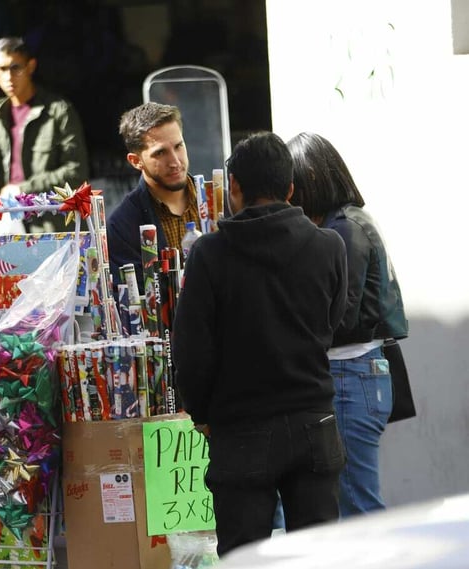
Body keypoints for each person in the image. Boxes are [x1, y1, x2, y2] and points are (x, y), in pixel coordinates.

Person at [172, 132, 348, 557]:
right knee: (319, 555)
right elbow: (333, 323)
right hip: (313, 423)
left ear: (234, 187)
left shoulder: (210, 254)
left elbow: (192, 348)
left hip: (240, 429)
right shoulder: (329, 246)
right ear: (290, 189)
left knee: (242, 556)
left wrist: (199, 411)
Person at [287, 132, 409, 518]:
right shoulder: (349, 222)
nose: (291, 196)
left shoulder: (345, 230)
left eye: (295, 185)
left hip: (349, 373)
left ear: (311, 179)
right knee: (353, 502)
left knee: (358, 505)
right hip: (356, 375)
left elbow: (342, 316)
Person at [0, 36, 89, 231]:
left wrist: (23, 190)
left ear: (31, 66)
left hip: (50, 226)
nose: (8, 77)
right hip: (6, 226)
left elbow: (76, 172)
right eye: (1, 69)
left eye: (15, 68)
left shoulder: (58, 111)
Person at [106, 102, 200, 288]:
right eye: (160, 153)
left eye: (178, 146)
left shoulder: (219, 201)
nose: (174, 161)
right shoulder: (122, 225)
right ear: (136, 161)